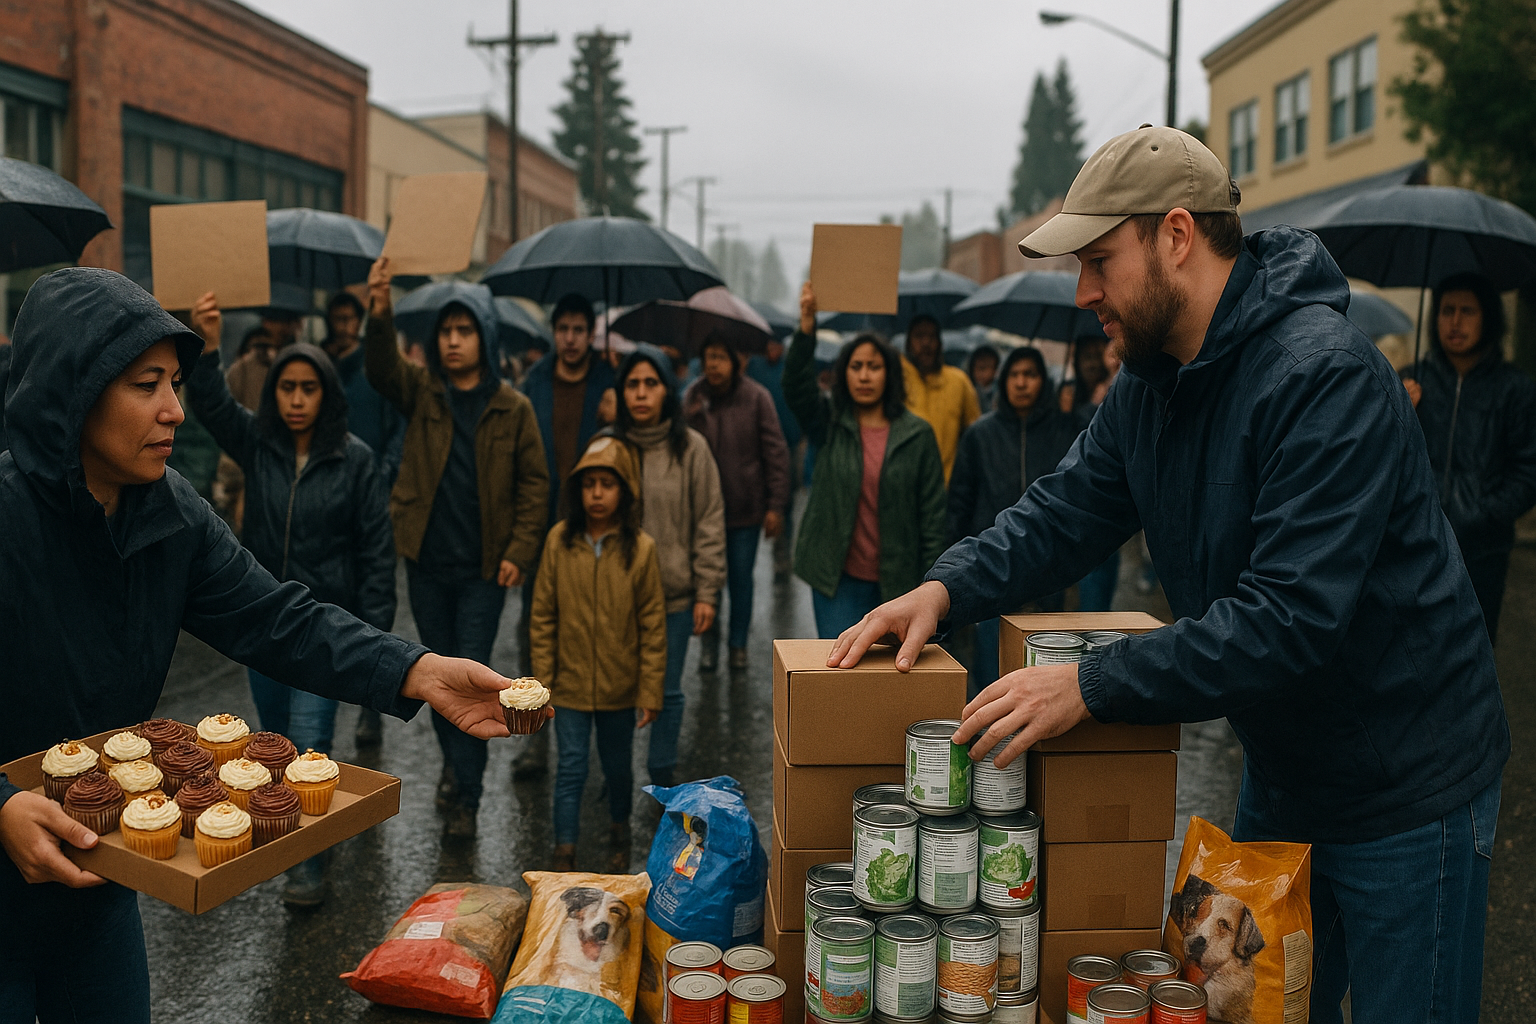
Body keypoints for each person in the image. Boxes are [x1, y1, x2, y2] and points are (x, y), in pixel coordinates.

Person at [829, 125, 1507, 1024]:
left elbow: (1289, 618)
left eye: (1100, 260)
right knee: (1255, 1010)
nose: (1084, 293)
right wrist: (943, 588)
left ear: (1176, 235)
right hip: (1289, 773)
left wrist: (1093, 682)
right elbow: (1064, 510)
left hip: (1408, 792)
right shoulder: (1151, 385)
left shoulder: (1325, 377)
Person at [0, 267, 529, 1021]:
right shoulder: (9, 518)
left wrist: (415, 669)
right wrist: (1, 808)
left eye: (177, 382)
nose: (176, 411)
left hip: (95, 884)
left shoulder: (172, 512)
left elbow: (280, 618)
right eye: (147, 385)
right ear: (75, 390)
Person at [184, 294, 394, 905]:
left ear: (327, 393)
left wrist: (376, 649)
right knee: (275, 750)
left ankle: (307, 865)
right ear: (273, 393)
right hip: (263, 624)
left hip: (324, 630)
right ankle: (289, 835)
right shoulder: (259, 443)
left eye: (309, 388)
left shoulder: (356, 461)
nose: (297, 400)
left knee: (310, 748)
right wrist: (212, 342)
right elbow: (213, 404)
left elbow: (377, 556)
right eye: (286, 388)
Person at [364, 257, 549, 838]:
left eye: (463, 331)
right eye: (445, 332)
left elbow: (535, 484)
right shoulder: (424, 392)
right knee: (434, 678)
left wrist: (519, 549)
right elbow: (380, 368)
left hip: (483, 573)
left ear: (484, 338)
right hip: (427, 565)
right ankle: (454, 766)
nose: (451, 341)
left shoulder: (512, 407)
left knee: (472, 679)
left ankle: (466, 797)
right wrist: (379, 310)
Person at [531, 436, 665, 872]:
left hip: (619, 686)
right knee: (570, 768)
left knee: (617, 768)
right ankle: (564, 849)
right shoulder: (559, 541)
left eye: (607, 484)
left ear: (624, 491)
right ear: (577, 490)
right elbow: (543, 615)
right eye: (589, 484)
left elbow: (651, 625)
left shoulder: (640, 548)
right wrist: (542, 684)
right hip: (566, 685)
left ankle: (620, 828)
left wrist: (649, 690)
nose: (597, 493)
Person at [785, 284, 947, 639]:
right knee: (841, 673)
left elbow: (933, 518)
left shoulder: (917, 435)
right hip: (836, 579)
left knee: (889, 681)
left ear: (888, 374)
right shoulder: (829, 422)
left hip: (898, 584)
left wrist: (933, 585)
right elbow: (795, 386)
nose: (864, 375)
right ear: (843, 373)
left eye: (873, 366)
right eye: (855, 366)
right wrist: (807, 329)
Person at [611, 345, 725, 786]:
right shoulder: (609, 447)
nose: (641, 393)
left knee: (668, 689)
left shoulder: (691, 448)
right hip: (616, 596)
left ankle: (661, 775)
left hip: (674, 594)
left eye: (651, 383)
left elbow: (709, 520)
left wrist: (707, 592)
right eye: (632, 384)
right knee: (618, 687)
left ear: (667, 391)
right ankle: (618, 778)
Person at [1401, 272, 1536, 643]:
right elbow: (1378, 459)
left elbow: (1528, 472)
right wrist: (1397, 411)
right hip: (1416, 547)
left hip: (1483, 553)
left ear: (1488, 317)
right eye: (1446, 311)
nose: (1455, 322)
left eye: (1467, 311)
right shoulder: (1411, 380)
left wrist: (1484, 512)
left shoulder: (1515, 389)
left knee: (1470, 651)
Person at [513, 293, 616, 781]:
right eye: (564, 329)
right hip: (541, 526)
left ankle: (587, 739)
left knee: (593, 631)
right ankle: (534, 736)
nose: (571, 338)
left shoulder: (609, 381)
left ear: (591, 333)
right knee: (537, 632)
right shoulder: (535, 382)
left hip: (592, 525)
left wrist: (616, 416)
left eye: (580, 329)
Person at [947, 346, 1081, 696]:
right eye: (1015, 375)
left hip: (1048, 572)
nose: (1022, 383)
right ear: (1004, 380)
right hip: (991, 570)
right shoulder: (980, 434)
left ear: (1043, 382)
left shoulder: (1064, 430)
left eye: (1031, 375)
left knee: (1045, 671)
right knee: (993, 669)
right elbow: (960, 503)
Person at [322, 289, 407, 747]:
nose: (343, 325)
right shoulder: (322, 367)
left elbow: (398, 428)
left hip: (372, 490)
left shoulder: (372, 371)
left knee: (370, 606)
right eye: (336, 317)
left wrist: (385, 472)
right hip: (333, 495)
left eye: (348, 318)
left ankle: (370, 707)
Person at [684, 330, 790, 671]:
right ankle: (709, 646)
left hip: (744, 510)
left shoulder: (756, 397)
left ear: (735, 362)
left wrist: (775, 506)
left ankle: (738, 645)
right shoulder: (693, 398)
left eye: (720, 357)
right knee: (707, 582)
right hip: (702, 513)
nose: (713, 365)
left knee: (741, 581)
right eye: (708, 357)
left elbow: (775, 452)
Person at [1072, 337, 1124, 612]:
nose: (1093, 362)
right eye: (1086, 356)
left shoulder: (1116, 389)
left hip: (1103, 499)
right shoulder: (1069, 396)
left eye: (1098, 354)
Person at [901, 313, 980, 482]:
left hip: (948, 487)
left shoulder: (958, 381)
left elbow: (975, 436)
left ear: (940, 343)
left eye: (932, 336)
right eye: (919, 336)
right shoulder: (896, 379)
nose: (926, 343)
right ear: (908, 342)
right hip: (902, 484)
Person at [966, 344, 1001, 414]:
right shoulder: (968, 388)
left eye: (984, 368)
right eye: (977, 368)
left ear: (995, 370)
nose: (980, 373)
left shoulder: (1001, 391)